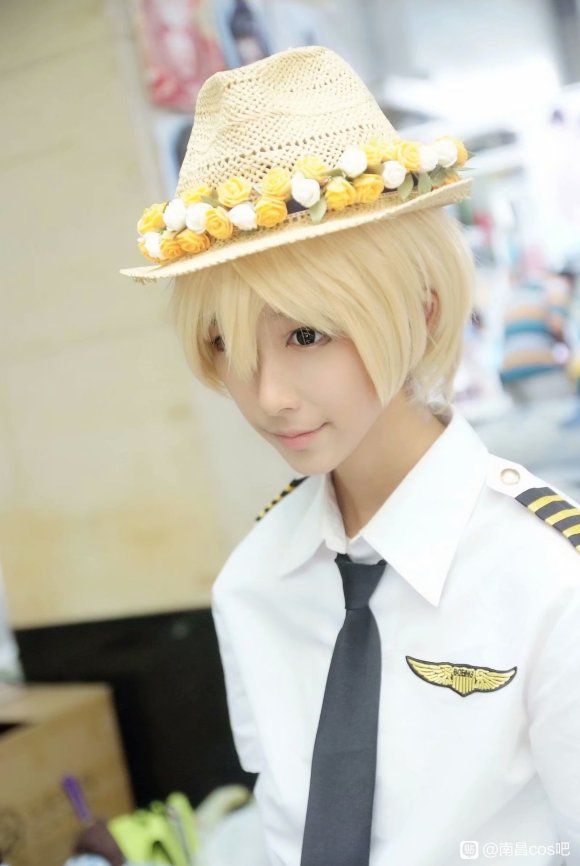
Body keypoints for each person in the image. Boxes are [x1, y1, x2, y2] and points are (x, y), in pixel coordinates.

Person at [121, 46, 580, 866]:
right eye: (226, 344)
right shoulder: (254, 583)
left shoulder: (547, 579)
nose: (269, 396)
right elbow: (285, 830)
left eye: (306, 335)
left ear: (421, 308)